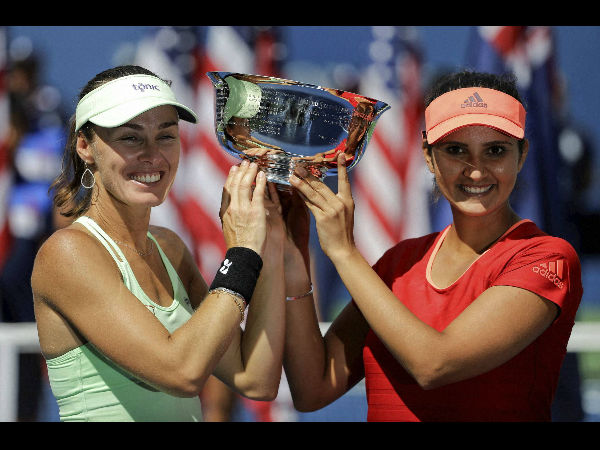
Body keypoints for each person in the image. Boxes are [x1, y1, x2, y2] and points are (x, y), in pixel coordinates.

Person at [281, 70, 583, 422]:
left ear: (522, 155)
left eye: (495, 150)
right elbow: (312, 388)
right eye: (456, 150)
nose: (476, 171)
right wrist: (296, 256)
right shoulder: (399, 262)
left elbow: (433, 364)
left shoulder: (548, 258)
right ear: (428, 155)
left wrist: (344, 252)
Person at [31, 65, 286, 422]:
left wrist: (267, 250)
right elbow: (182, 373)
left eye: (165, 136)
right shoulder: (68, 252)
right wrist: (242, 254)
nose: (152, 155)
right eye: (131, 137)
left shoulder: (170, 248)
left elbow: (256, 379)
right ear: (86, 147)